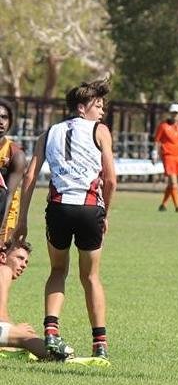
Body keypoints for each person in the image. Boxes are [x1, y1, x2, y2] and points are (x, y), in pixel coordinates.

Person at [12, 78, 116, 362]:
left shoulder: (49, 132)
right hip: (88, 209)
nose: (102, 111)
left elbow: (30, 177)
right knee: (90, 276)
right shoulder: (100, 131)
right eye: (98, 105)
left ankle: (51, 334)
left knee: (58, 271)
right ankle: (100, 344)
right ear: (82, 108)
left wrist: (22, 220)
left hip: (57, 209)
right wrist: (105, 212)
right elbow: (111, 179)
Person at [0, 238, 73, 360]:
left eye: (26, 262)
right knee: (27, 337)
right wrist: (18, 331)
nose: (23, 265)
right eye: (20, 258)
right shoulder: (4, 270)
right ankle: (63, 357)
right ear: (3, 257)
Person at [152, 103, 178, 213]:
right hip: (168, 156)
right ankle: (177, 206)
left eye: (176, 113)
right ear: (170, 113)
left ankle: (163, 205)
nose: (174, 115)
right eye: (173, 113)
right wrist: (154, 153)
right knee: (173, 183)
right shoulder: (163, 126)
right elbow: (157, 140)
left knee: (171, 184)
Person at [0, 99, 26, 243]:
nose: (1, 121)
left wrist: (1, 227)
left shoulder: (15, 154)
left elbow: (8, 195)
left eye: (4, 117)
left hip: (4, 216)